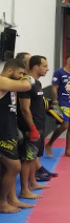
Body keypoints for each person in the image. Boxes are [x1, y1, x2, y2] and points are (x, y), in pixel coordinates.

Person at [17, 55, 52, 201]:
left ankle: (32, 182)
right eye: (45, 66)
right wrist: (32, 128)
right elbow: (24, 108)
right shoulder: (26, 83)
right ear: (36, 67)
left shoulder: (36, 82)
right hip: (30, 127)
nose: (47, 69)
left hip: (39, 124)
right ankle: (24, 190)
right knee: (27, 158)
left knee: (33, 158)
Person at [0, 59, 33, 213]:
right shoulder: (1, 80)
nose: (21, 76)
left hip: (9, 130)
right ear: (9, 71)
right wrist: (27, 76)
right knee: (14, 167)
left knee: (9, 167)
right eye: (20, 73)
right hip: (2, 133)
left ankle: (12, 199)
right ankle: (2, 202)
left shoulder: (9, 85)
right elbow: (26, 85)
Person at [46, 56, 70, 158]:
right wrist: (55, 102)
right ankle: (49, 144)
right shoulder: (59, 73)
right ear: (69, 61)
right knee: (64, 125)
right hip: (63, 103)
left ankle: (68, 150)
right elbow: (54, 88)